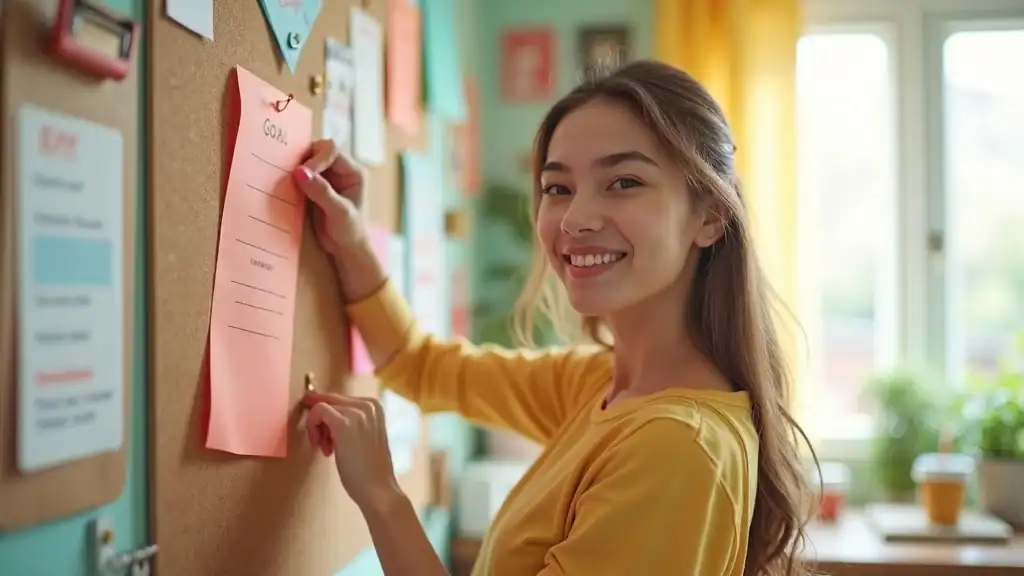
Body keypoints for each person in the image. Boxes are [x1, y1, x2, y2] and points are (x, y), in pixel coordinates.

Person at [294, 60, 818, 576]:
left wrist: (383, 498)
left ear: (710, 216)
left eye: (624, 182)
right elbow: (420, 366)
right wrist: (351, 240)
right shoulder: (599, 385)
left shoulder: (677, 447)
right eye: (558, 188)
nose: (575, 219)